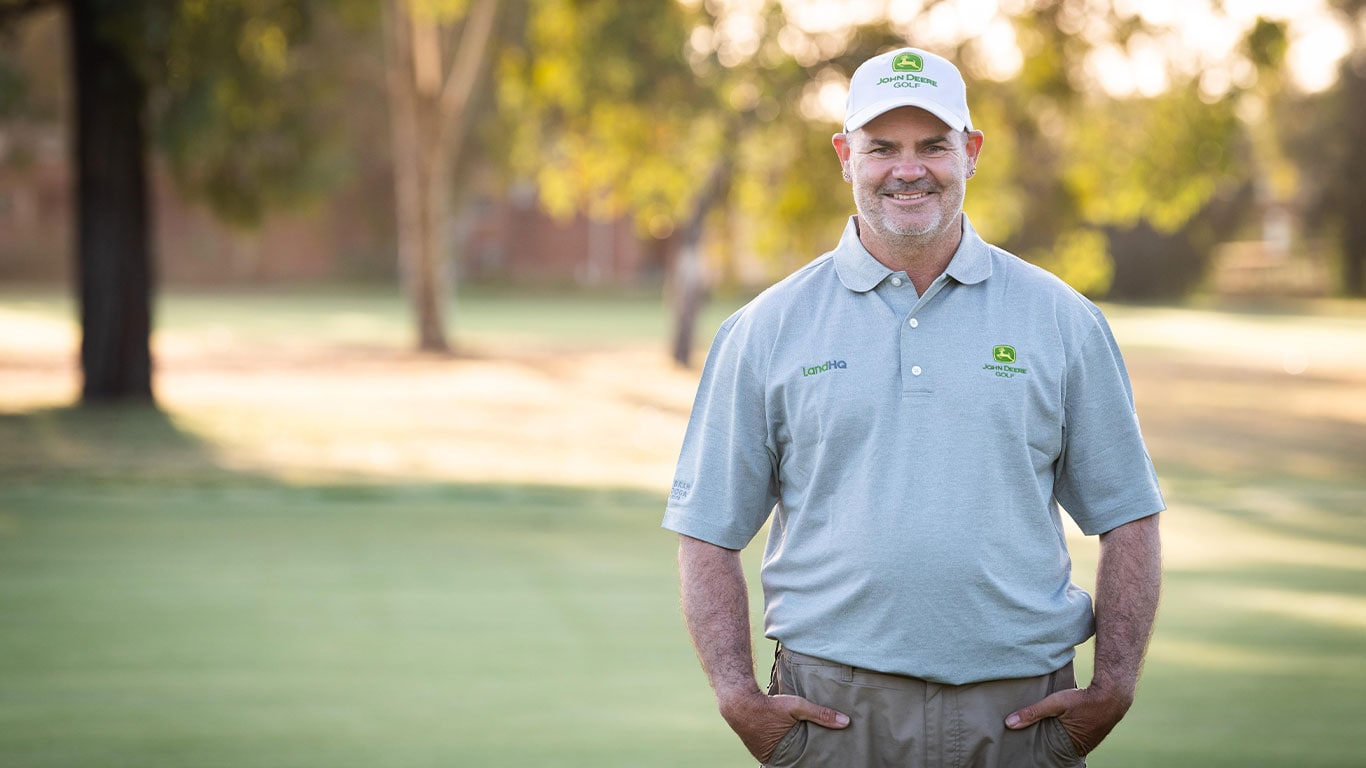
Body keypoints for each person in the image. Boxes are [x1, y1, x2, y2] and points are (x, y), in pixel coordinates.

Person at [662, 46, 1164, 767]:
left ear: (972, 152)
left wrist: (1115, 684)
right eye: (881, 147)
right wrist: (741, 699)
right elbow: (708, 529)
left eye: (934, 145)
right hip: (834, 716)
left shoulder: (1062, 319)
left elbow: (1129, 515)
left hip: (1019, 717)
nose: (908, 168)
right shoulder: (765, 329)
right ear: (844, 155)